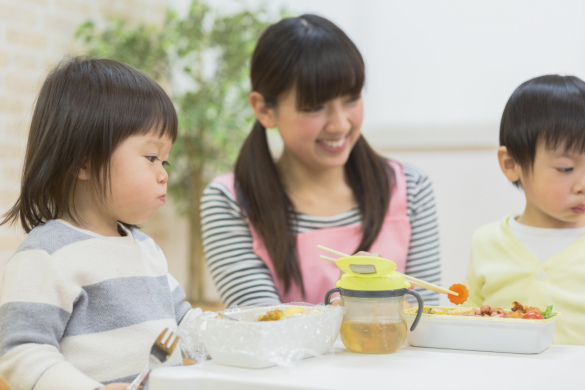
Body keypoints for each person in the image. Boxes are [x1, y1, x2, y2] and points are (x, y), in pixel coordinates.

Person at [200, 14, 441, 308]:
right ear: (264, 110)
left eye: (352, 99)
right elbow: (265, 327)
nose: (340, 125)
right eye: (315, 107)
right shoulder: (231, 201)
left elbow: (425, 316)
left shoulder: (410, 188)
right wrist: (358, 305)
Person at [0, 57, 200, 389]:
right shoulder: (46, 256)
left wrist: (241, 332)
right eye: (151, 157)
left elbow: (186, 324)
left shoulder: (145, 250)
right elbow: (21, 352)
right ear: (84, 162)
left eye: (165, 160)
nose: (164, 174)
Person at [464, 75, 585, 345]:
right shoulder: (487, 241)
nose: (582, 185)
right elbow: (469, 319)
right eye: (566, 168)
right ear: (511, 164)